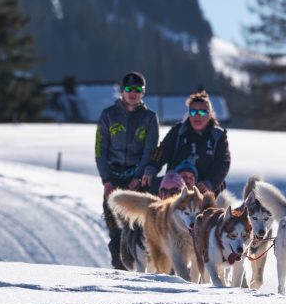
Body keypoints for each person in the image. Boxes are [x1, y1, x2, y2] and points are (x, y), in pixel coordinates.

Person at [95, 71, 159, 269]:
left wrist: (139, 175)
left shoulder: (150, 118)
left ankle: (140, 273)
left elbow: (150, 150)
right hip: (113, 182)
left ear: (143, 92)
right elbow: (100, 150)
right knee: (115, 232)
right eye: (129, 89)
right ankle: (119, 272)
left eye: (137, 89)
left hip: (136, 182)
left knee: (137, 230)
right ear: (123, 90)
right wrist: (106, 180)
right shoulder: (108, 115)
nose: (133, 93)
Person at [142, 90, 230, 195]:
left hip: (204, 187)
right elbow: (162, 150)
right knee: (150, 186)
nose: (197, 116)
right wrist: (151, 169)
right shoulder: (178, 131)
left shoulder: (218, 136)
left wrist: (209, 183)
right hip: (176, 186)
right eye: (193, 112)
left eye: (202, 112)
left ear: (209, 115)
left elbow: (222, 164)